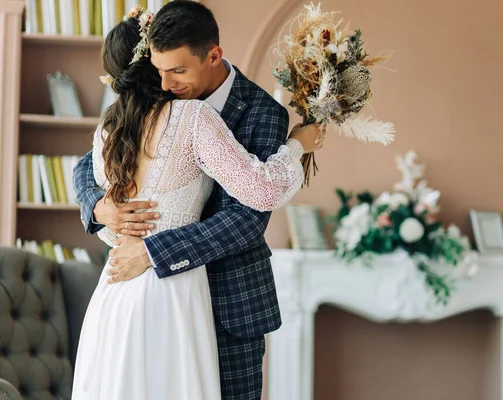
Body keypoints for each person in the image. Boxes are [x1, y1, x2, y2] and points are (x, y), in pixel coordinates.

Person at [71, 4, 323, 400]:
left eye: (178, 71)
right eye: (159, 70)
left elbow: (247, 218)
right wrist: (98, 208)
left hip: (226, 307)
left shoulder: (262, 112)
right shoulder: (135, 116)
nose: (167, 83)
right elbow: (87, 167)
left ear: (213, 56)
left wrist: (152, 250)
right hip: (155, 293)